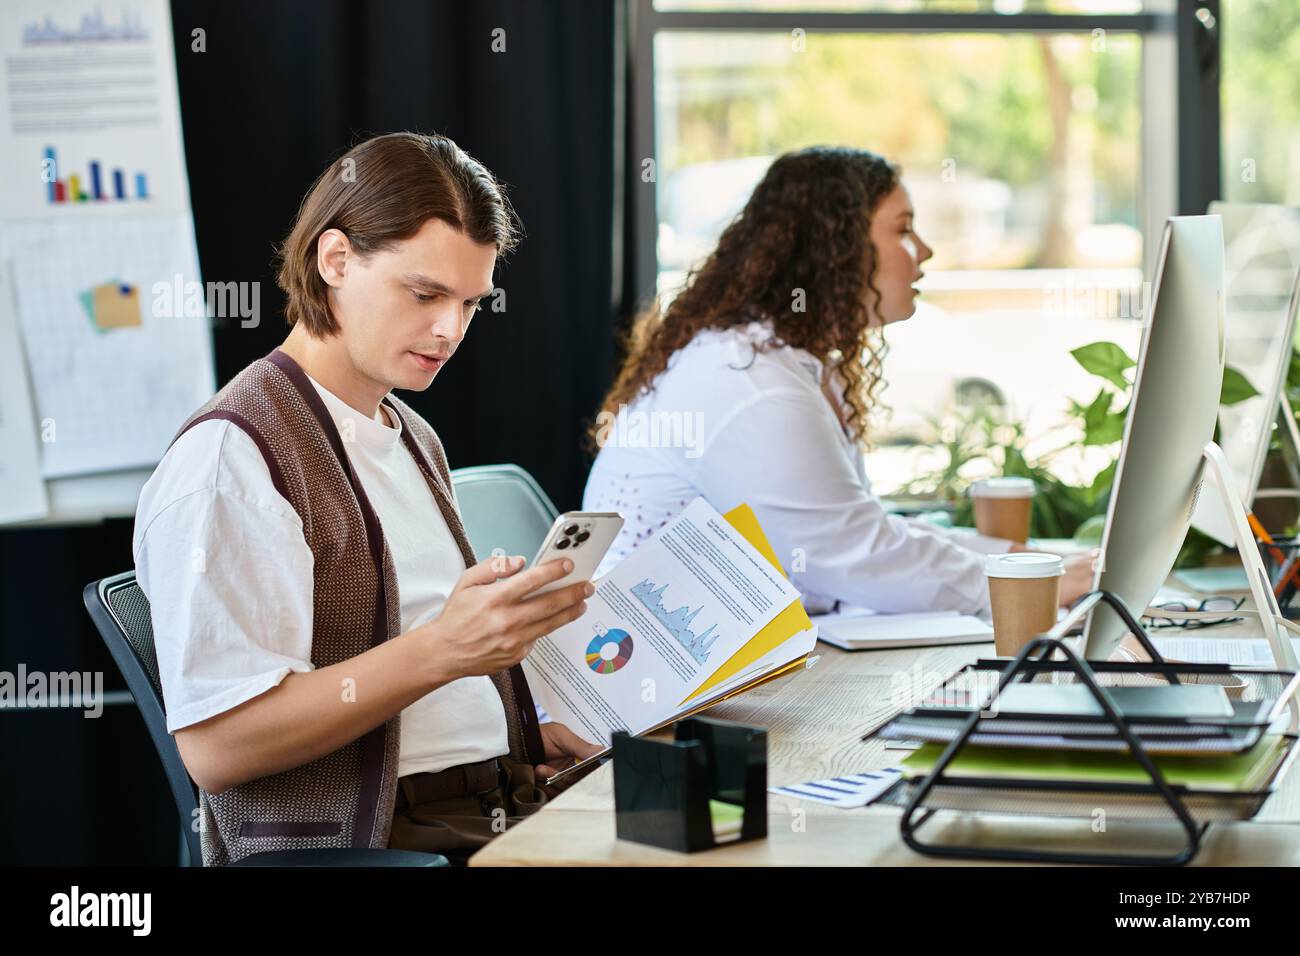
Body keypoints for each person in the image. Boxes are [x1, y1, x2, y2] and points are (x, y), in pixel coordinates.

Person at [133, 132, 600, 866]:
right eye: (425, 293)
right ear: (335, 260)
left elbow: (411, 666)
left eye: (470, 303)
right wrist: (444, 651)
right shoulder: (232, 458)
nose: (450, 329)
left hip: (490, 805)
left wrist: (512, 737)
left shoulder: (409, 433)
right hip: (383, 842)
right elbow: (218, 746)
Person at [583, 146, 1093, 618]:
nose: (926, 250)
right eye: (903, 230)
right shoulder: (753, 383)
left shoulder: (784, 360)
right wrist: (1027, 584)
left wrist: (1022, 559)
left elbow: (858, 532)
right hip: (652, 676)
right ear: (838, 250)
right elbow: (856, 555)